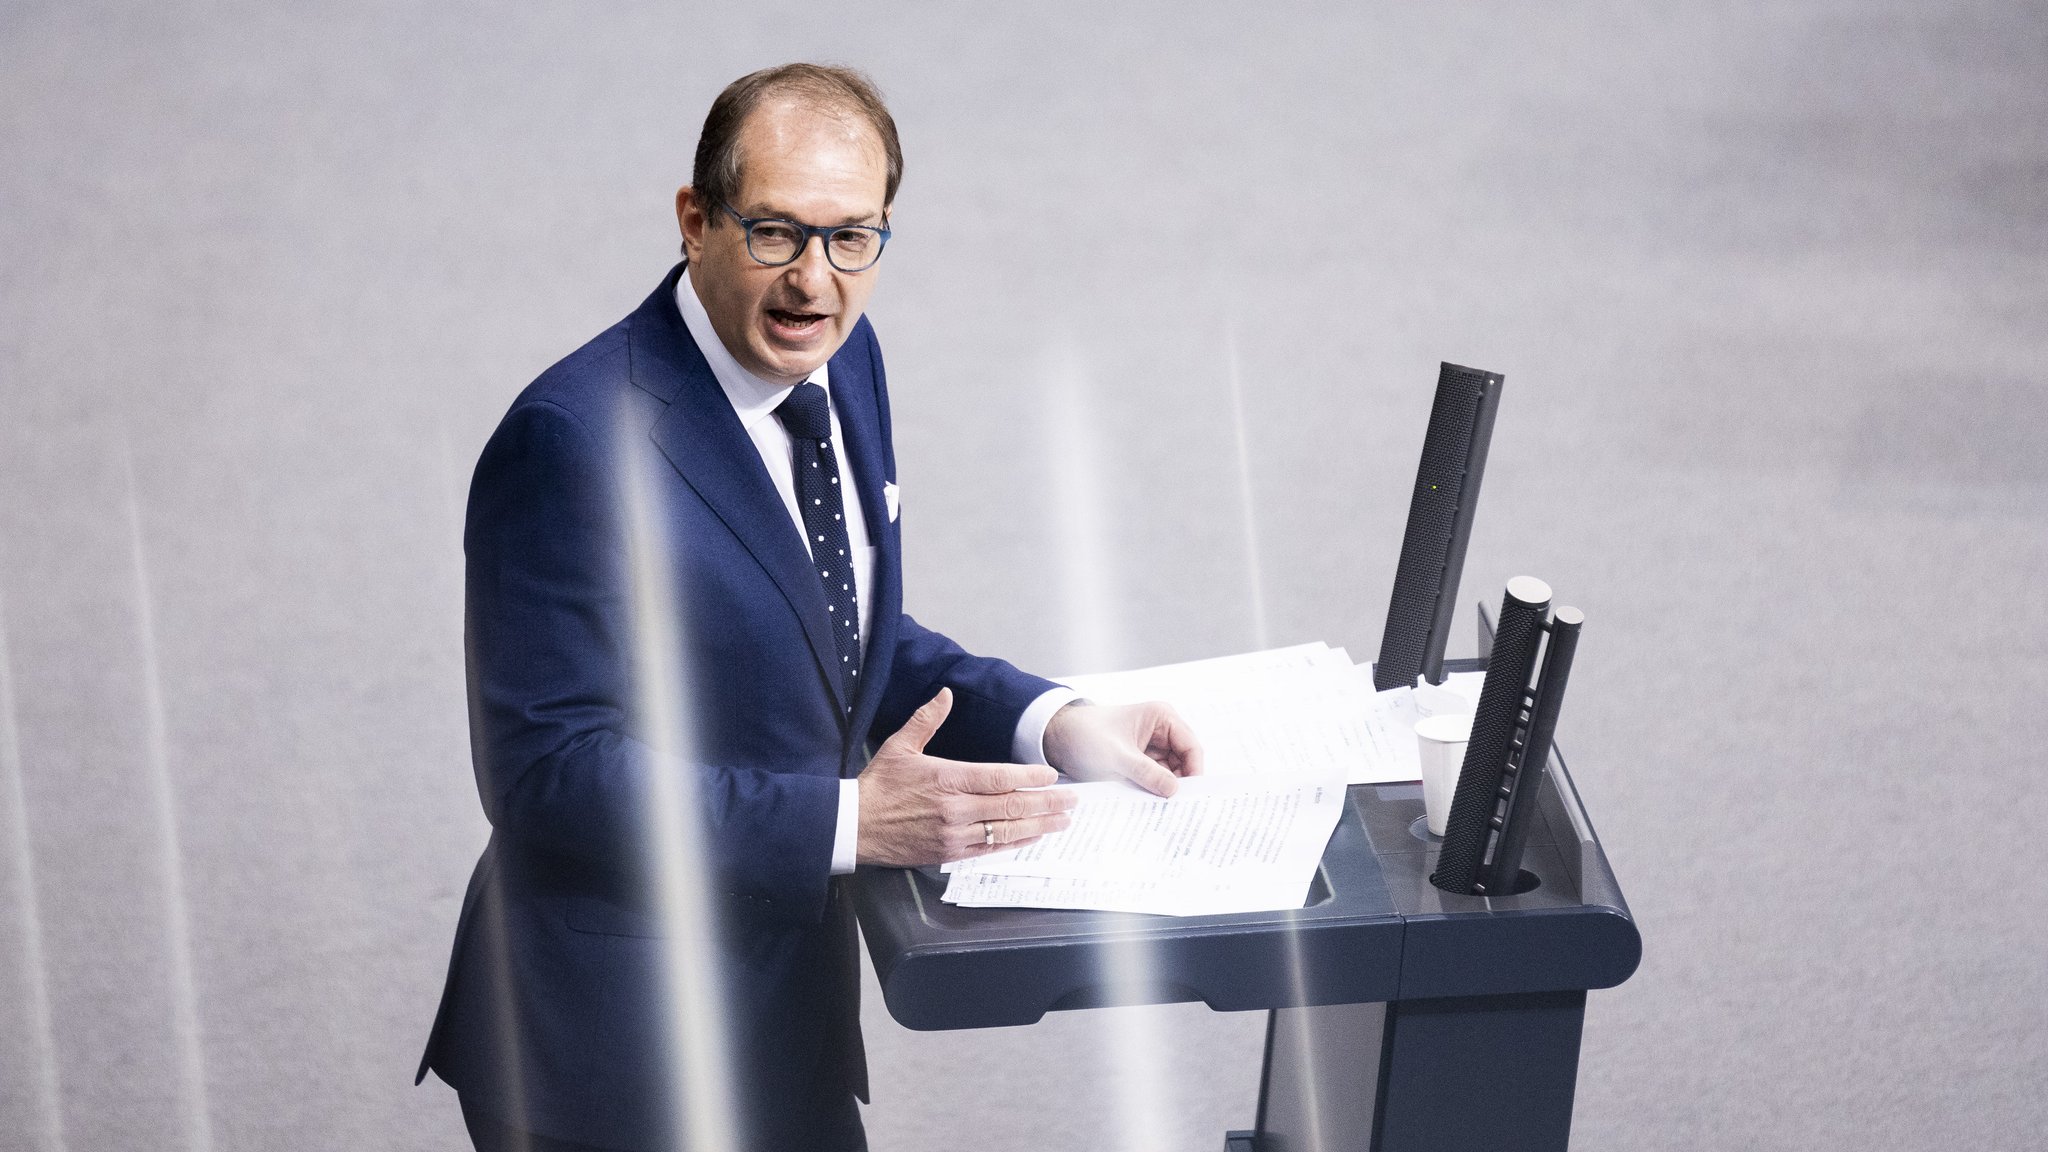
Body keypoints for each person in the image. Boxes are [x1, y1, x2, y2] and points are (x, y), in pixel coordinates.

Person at [416, 63, 1203, 1152]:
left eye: (852, 237)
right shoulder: (571, 442)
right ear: (695, 222)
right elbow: (545, 774)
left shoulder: (843, 359)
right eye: (775, 233)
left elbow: (837, 637)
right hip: (606, 1060)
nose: (814, 282)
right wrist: (851, 822)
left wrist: (1055, 722)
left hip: (778, 1019)